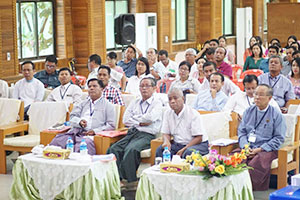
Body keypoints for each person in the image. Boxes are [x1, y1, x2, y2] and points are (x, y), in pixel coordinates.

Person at [107, 77, 163, 183]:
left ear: (154, 88)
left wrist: (135, 118)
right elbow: (125, 120)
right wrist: (140, 121)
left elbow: (150, 118)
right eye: (141, 86)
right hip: (132, 133)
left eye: (147, 86)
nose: (144, 89)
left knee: (131, 150)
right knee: (114, 149)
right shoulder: (135, 101)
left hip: (147, 135)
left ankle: (130, 181)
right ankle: (117, 179)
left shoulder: (157, 103)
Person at [237, 84, 286, 191]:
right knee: (234, 160)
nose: (257, 97)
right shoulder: (248, 111)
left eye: (261, 95)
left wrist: (259, 149)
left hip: (266, 149)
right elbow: (241, 132)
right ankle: (234, 191)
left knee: (254, 165)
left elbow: (279, 138)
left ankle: (248, 191)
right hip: (248, 146)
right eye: (256, 94)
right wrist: (245, 146)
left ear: (269, 98)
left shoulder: (276, 114)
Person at [50, 78, 116, 155]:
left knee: (82, 145)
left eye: (94, 86)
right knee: (58, 140)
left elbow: (111, 125)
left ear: (102, 89)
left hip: (94, 135)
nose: (91, 88)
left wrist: (95, 131)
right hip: (77, 132)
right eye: (90, 86)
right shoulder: (82, 103)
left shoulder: (108, 105)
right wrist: (79, 122)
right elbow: (72, 117)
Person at [156, 88, 209, 158]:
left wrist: (184, 149)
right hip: (178, 144)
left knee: (188, 153)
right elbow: (166, 133)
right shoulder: (167, 113)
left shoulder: (193, 113)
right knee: (160, 150)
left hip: (198, 144)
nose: (172, 101)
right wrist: (166, 141)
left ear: (183, 99)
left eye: (175, 98)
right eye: (170, 99)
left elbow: (199, 138)